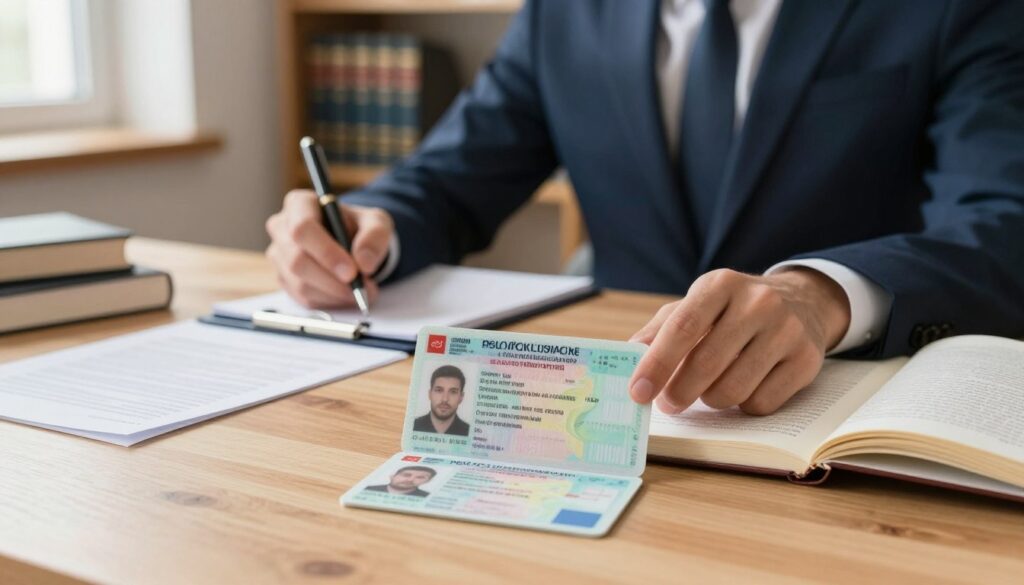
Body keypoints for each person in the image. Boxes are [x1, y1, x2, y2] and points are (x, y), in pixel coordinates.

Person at [265, 1, 1024, 416]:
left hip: (837, 414)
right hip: (616, 412)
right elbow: (454, 173)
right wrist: (368, 226)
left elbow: (1004, 218)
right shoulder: (562, 14)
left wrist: (821, 294)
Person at [412, 365, 471, 436]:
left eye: (453, 392)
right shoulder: (412, 426)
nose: (445, 399)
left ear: (461, 397)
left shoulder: (470, 432)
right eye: (439, 390)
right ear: (430, 394)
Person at [364, 466, 436, 497]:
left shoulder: (427, 496)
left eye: (420, 477)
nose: (410, 480)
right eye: (406, 475)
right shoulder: (367, 489)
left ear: (427, 481)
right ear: (392, 476)